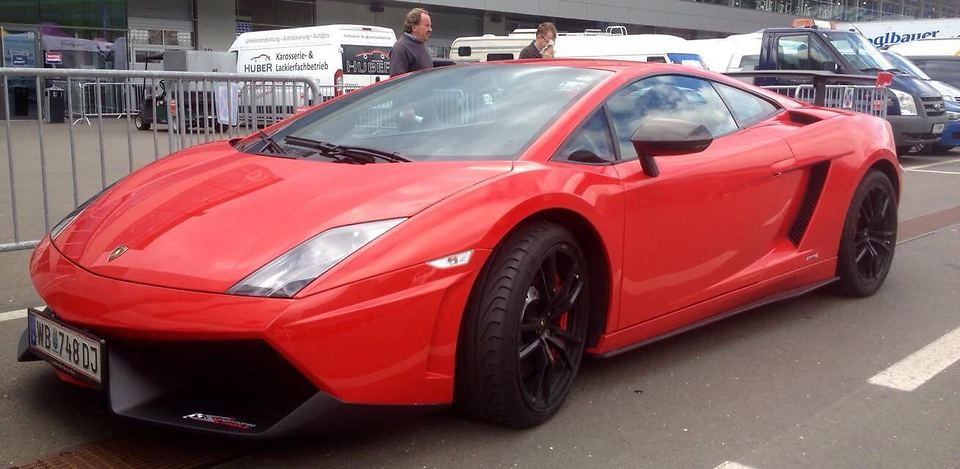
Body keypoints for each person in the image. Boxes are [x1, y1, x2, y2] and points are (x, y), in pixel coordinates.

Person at [390, 8, 434, 76]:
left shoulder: (422, 45)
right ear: (414, 28)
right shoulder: (401, 48)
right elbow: (397, 81)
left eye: (430, 26)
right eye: (427, 25)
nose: (430, 29)